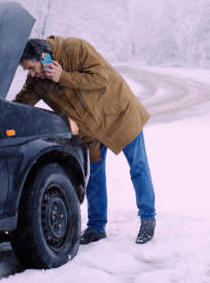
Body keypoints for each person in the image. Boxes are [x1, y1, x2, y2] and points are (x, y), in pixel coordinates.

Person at [13, 36, 156, 244]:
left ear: (44, 57)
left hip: (118, 114)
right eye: (27, 71)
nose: (32, 74)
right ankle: (96, 228)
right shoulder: (36, 82)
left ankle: (148, 218)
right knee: (94, 178)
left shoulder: (75, 48)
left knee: (138, 167)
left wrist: (63, 76)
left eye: (32, 68)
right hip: (89, 131)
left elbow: (102, 77)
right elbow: (20, 104)